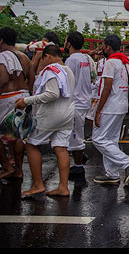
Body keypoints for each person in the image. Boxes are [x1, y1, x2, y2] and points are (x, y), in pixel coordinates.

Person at [16, 45, 74, 197]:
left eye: (42, 59)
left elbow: (52, 94)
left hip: (50, 116)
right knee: (61, 148)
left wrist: (26, 100)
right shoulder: (68, 70)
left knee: (31, 145)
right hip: (67, 114)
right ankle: (63, 187)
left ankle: (37, 184)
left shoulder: (50, 71)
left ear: (47, 56)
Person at [91, 35, 129, 185]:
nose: (102, 49)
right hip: (121, 105)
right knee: (111, 140)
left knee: (98, 139)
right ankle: (112, 173)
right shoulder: (126, 63)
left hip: (110, 106)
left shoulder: (111, 62)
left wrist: (98, 110)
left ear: (108, 47)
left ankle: (127, 162)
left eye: (103, 46)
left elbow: (107, 87)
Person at [0, 26, 34, 180]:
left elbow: (3, 80)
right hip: (23, 95)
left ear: (1, 40)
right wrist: (27, 96)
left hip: (8, 96)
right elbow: (31, 78)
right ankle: (19, 170)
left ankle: (7, 166)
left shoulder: (3, 56)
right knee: (17, 134)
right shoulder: (25, 57)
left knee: (4, 134)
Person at [64, 31, 95, 177]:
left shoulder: (71, 60)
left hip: (75, 101)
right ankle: (80, 158)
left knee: (76, 135)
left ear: (69, 43)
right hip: (85, 99)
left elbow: (68, 81)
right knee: (77, 132)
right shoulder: (85, 58)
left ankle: (78, 166)